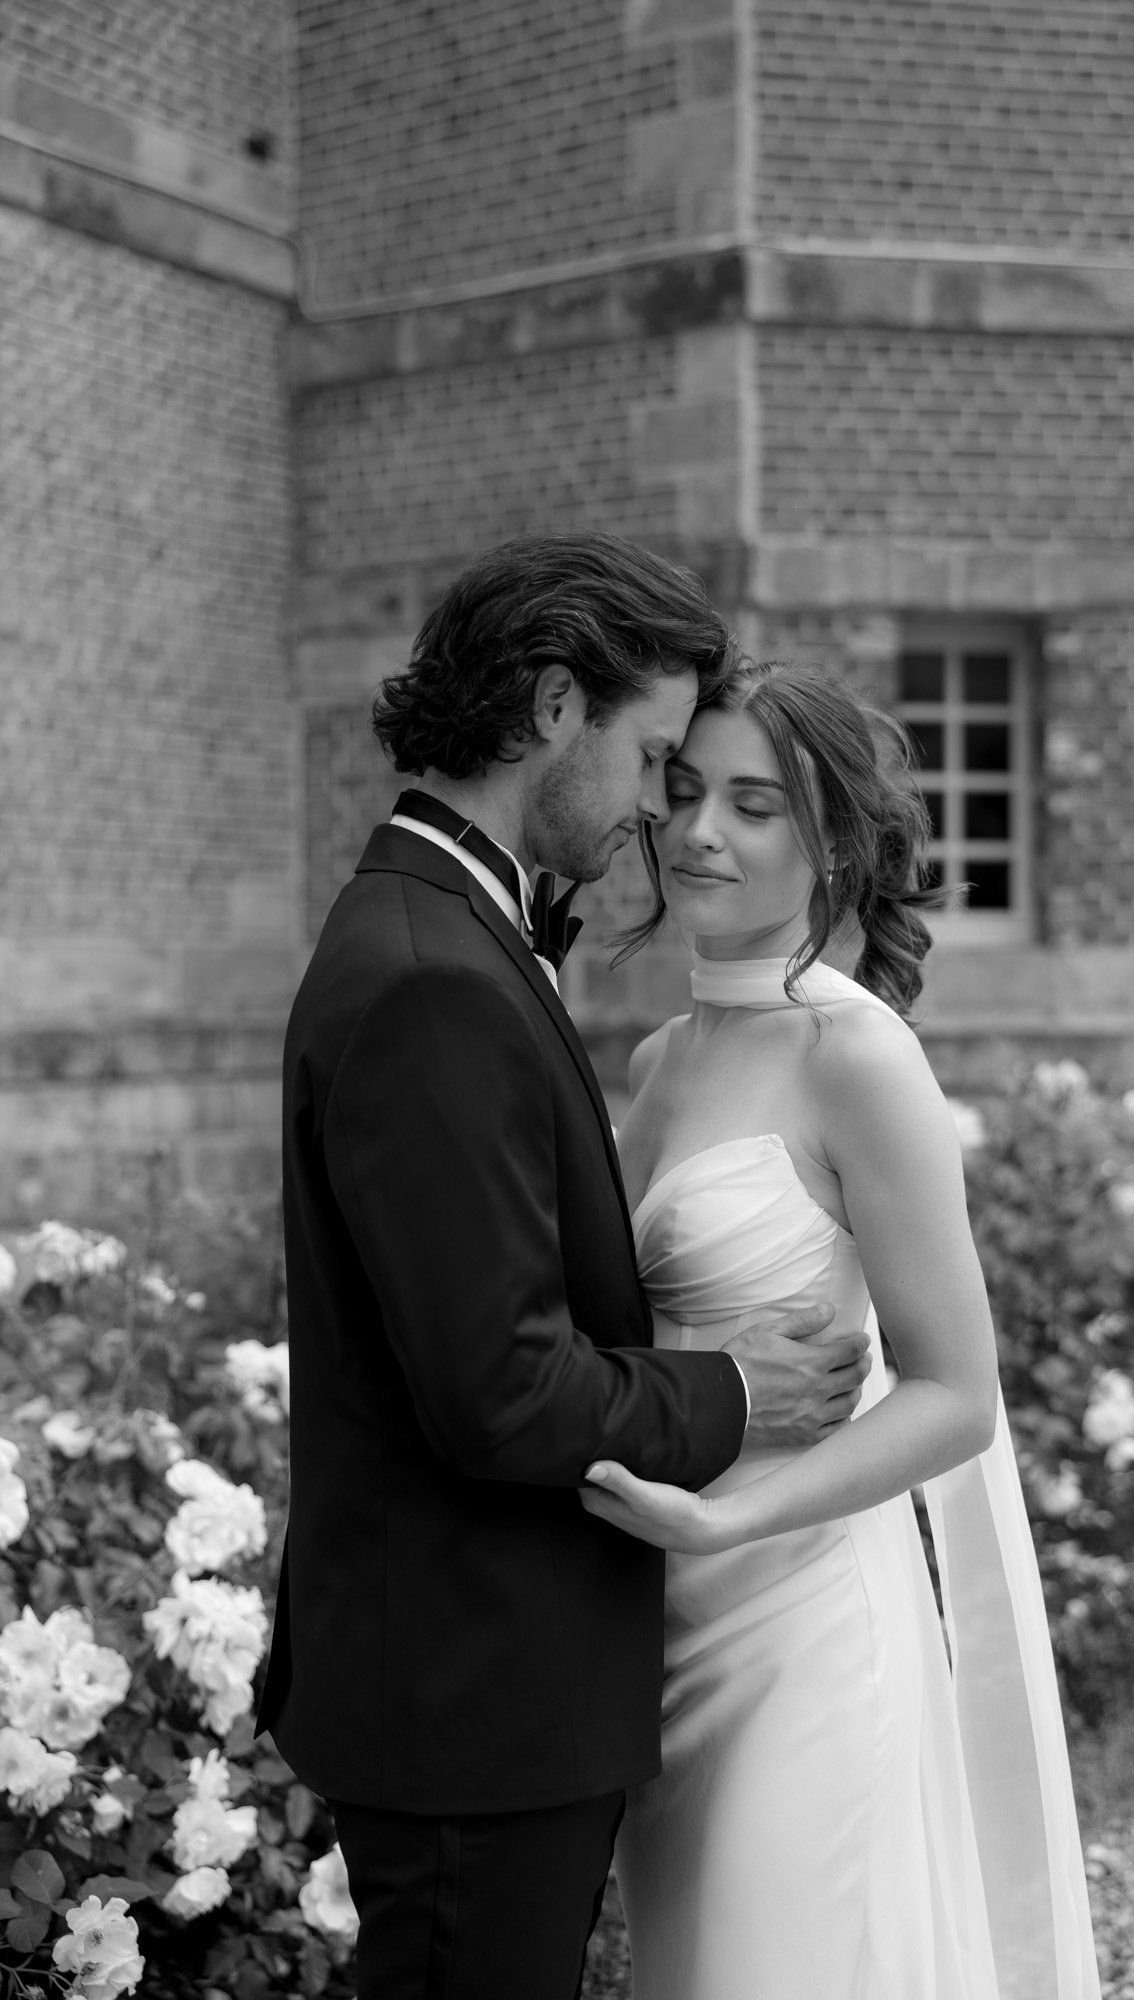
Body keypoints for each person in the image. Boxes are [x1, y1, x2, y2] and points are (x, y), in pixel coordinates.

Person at [253, 537, 872, 2000]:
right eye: (655, 752)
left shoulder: (448, 935)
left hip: (477, 1687)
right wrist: (736, 1392)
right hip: (471, 1702)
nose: (665, 807)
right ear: (548, 708)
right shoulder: (427, 977)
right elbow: (499, 1391)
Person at [582, 657, 1103, 1999]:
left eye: (755, 807)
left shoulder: (854, 1057)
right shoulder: (659, 1061)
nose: (700, 832)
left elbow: (953, 1397)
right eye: (685, 790)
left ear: (832, 851)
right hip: (662, 1614)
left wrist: (729, 1521)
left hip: (799, 1607)